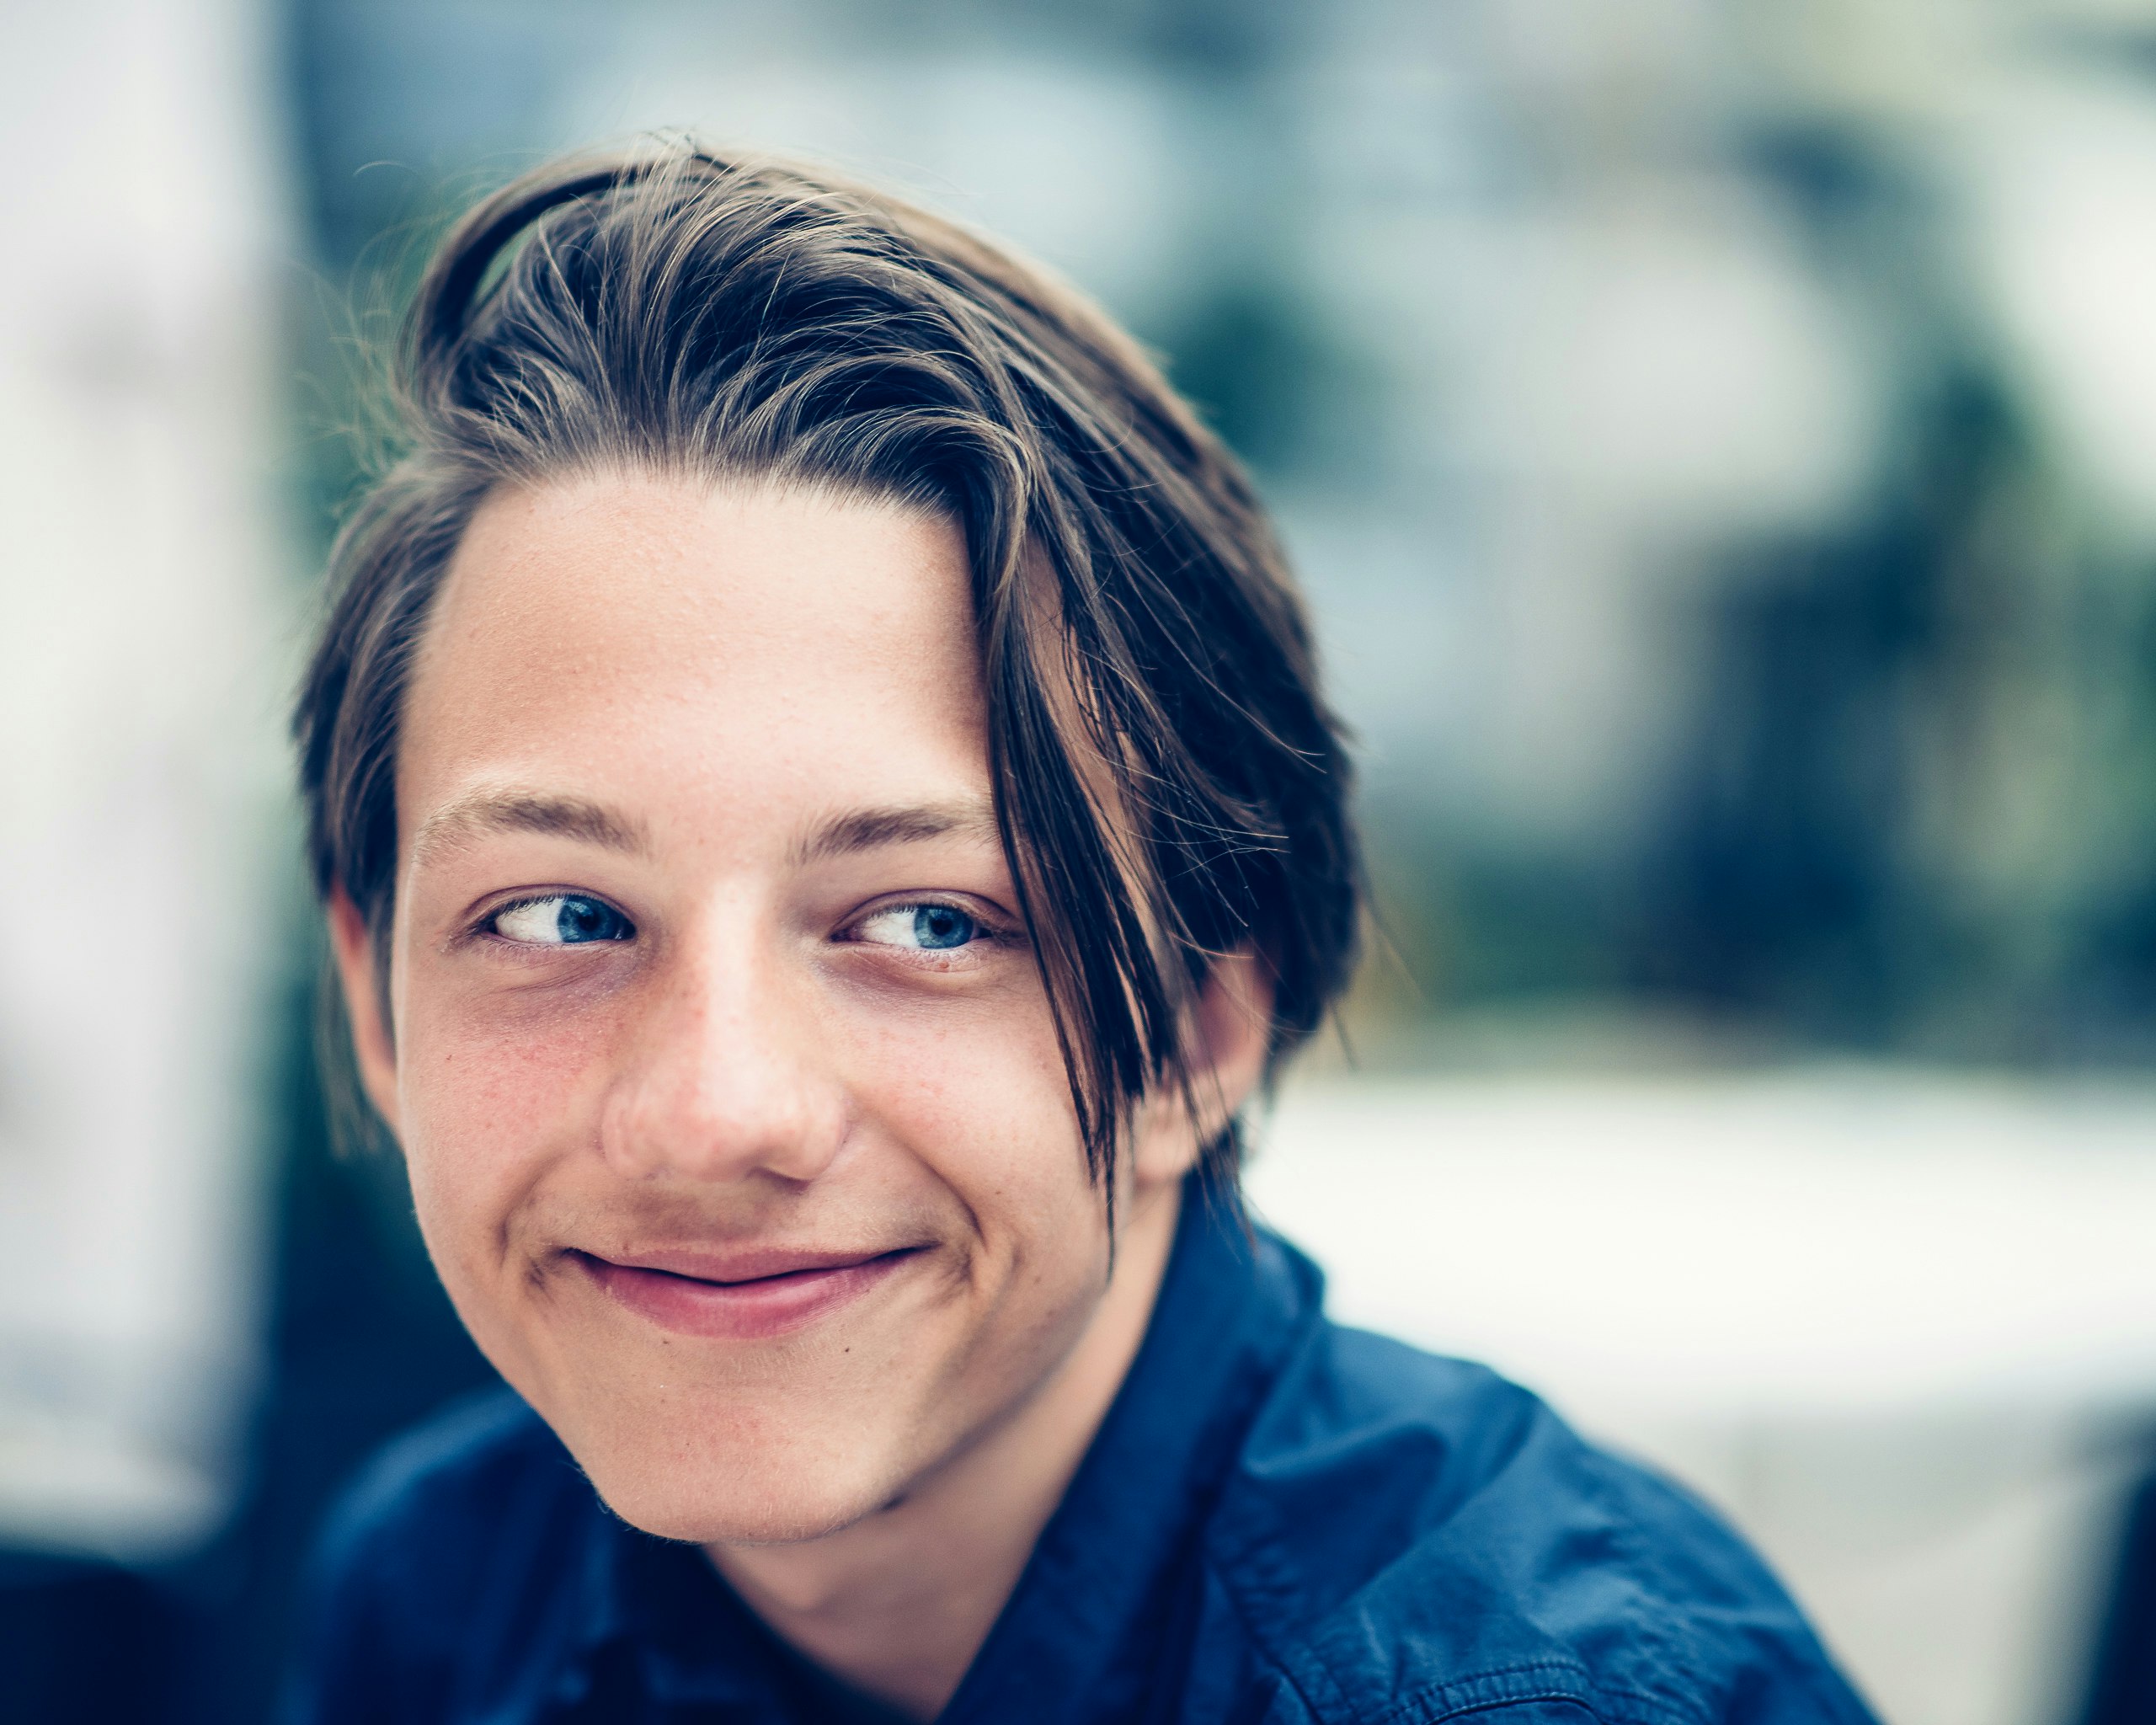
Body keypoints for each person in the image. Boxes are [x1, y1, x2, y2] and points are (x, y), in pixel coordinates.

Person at [283, 144, 1876, 1725]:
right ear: (377, 1003)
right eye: (560, 917)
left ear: (1202, 1027)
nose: (713, 1113)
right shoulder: (440, 1598)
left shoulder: (1524, 1697)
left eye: (926, 921)